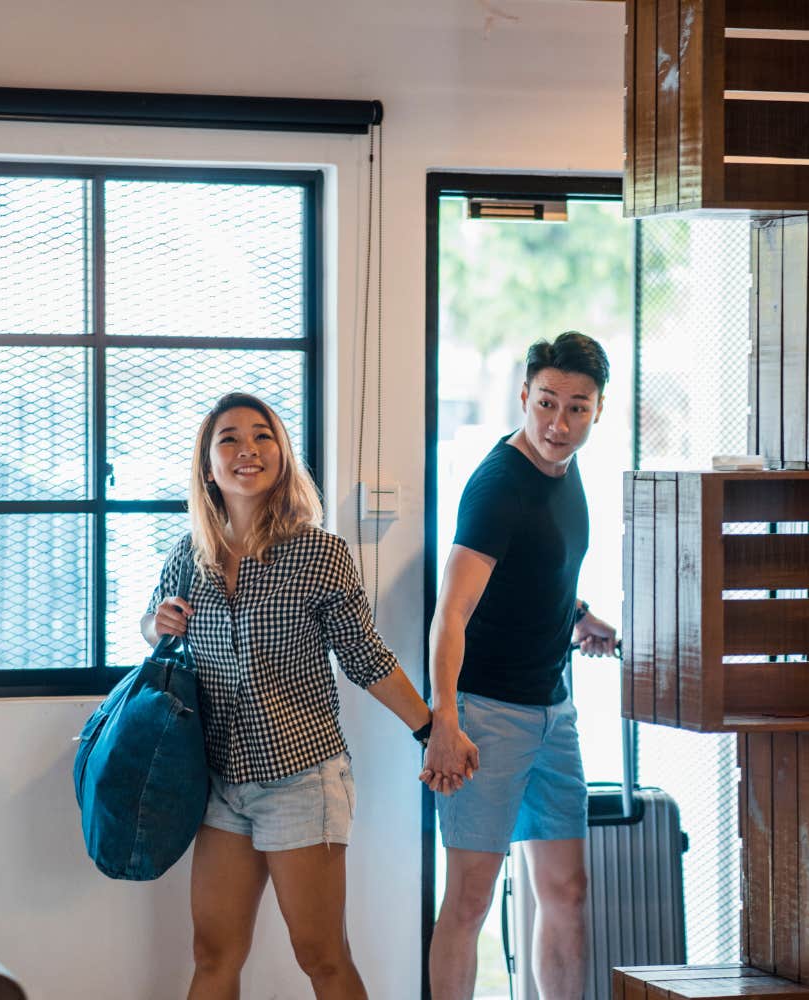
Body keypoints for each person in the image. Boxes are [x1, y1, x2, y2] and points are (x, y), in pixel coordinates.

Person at [140, 391, 477, 1000]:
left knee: (321, 957)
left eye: (262, 435)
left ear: (282, 454)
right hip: (219, 780)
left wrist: (433, 731)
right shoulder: (190, 556)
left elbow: (366, 659)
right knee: (213, 954)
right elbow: (154, 628)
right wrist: (155, 623)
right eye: (230, 439)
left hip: (301, 779)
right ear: (207, 466)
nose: (248, 449)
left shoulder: (320, 553)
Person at [425, 332, 618, 999]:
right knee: (471, 900)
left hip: (553, 712)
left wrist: (578, 613)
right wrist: (443, 723)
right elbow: (449, 612)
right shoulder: (498, 486)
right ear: (523, 396)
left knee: (567, 890)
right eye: (545, 404)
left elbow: (540, 564)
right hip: (488, 716)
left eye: (576, 408)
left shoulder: (564, 470)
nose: (558, 424)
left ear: (598, 410)